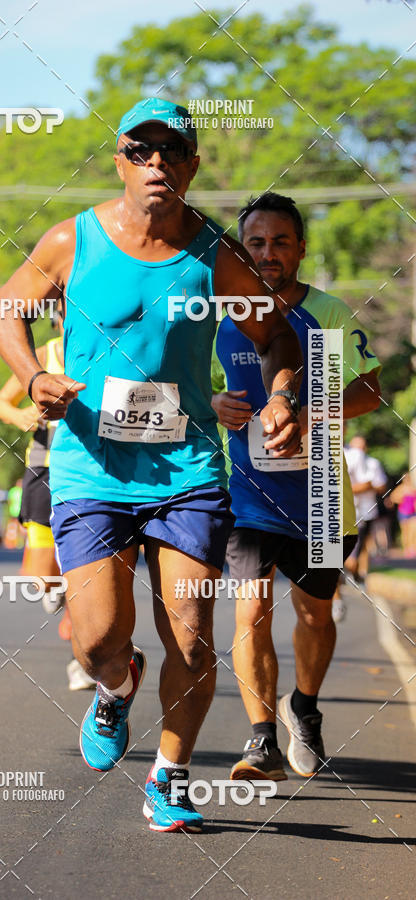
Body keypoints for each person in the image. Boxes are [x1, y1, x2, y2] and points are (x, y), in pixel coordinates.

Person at [0, 98, 303, 833]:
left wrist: (282, 394)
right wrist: (33, 377)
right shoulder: (72, 240)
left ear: (191, 167)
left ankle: (170, 777)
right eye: (141, 150)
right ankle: (115, 684)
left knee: (190, 635)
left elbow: (278, 337)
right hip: (90, 467)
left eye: (171, 152)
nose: (155, 163)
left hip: (187, 470)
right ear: (120, 162)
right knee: (97, 639)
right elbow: (5, 308)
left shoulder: (216, 254)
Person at [211, 192, 381, 781]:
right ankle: (262, 740)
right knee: (251, 612)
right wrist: (215, 402)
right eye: (255, 242)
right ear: (240, 250)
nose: (268, 253)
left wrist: (310, 412)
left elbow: (370, 390)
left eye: (280, 242)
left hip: (323, 498)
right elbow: (188, 385)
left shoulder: (326, 314)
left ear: (301, 248)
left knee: (314, 616)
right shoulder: (221, 314)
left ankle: (303, 709)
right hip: (248, 496)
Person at [0, 321, 94, 691]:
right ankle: (62, 593)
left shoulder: (104, 350)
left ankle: (84, 661)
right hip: (44, 467)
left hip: (90, 470)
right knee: (41, 576)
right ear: (57, 318)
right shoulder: (41, 355)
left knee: (87, 575)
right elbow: (0, 402)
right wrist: (18, 415)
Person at [344, 436, 388, 580]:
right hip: (338, 513)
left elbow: (377, 485)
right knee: (335, 558)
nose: (359, 450)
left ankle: (360, 574)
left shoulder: (372, 463)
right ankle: (348, 577)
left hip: (364, 512)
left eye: (362, 447)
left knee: (360, 547)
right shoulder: (341, 456)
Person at [390, 473, 416, 557]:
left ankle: (413, 548)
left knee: (413, 531)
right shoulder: (400, 488)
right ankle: (406, 548)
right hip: (403, 512)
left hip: (413, 513)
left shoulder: (413, 488)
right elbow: (393, 497)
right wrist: (401, 499)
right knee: (405, 532)